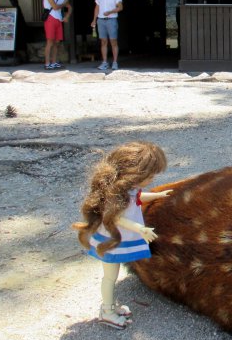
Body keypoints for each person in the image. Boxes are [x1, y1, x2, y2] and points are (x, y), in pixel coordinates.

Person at [72, 141, 172, 329]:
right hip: (112, 241)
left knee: (112, 276)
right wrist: (140, 229)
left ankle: (111, 306)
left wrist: (158, 195)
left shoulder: (128, 190)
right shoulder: (116, 195)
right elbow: (117, 218)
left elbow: (137, 198)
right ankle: (107, 312)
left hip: (118, 238)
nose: (152, 179)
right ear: (136, 174)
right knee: (110, 278)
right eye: (150, 175)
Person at [91, 0, 123, 71]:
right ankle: (104, 62)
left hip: (111, 20)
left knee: (113, 41)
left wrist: (110, 12)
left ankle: (115, 62)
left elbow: (120, 7)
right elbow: (97, 7)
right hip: (101, 20)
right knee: (103, 41)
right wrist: (94, 19)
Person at [43, 0, 73, 70]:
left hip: (59, 19)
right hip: (50, 18)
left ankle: (54, 62)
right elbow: (55, 7)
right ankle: (47, 63)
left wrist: (67, 16)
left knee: (57, 42)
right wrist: (63, 3)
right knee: (50, 41)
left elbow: (70, 7)